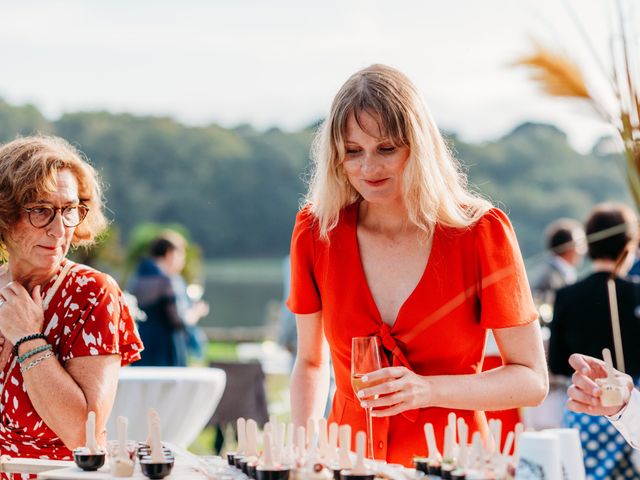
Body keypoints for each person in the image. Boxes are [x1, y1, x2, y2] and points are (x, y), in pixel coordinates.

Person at [287, 64, 548, 466]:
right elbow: (310, 361)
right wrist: (303, 454)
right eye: (353, 152)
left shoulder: (480, 231)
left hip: (454, 465)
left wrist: (427, 390)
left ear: (419, 145)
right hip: (346, 464)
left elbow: (531, 380)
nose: (368, 169)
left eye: (386, 149)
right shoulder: (316, 230)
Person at [0, 135, 143, 460]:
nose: (59, 228)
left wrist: (29, 339)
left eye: (69, 210)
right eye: (41, 210)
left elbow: (84, 434)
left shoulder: (91, 293)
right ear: (5, 214)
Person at [549, 202, 640, 479]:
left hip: (584, 409)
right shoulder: (636, 294)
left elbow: (557, 361)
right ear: (629, 243)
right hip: (631, 405)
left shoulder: (567, 295)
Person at [129, 232, 208, 367]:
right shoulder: (168, 281)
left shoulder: (136, 278)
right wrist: (197, 311)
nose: (182, 262)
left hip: (141, 343)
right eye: (181, 255)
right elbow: (179, 320)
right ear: (170, 253)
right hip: (166, 348)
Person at [531, 218, 586, 322]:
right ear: (569, 247)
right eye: (580, 245)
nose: (583, 251)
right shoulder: (548, 278)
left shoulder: (558, 273)